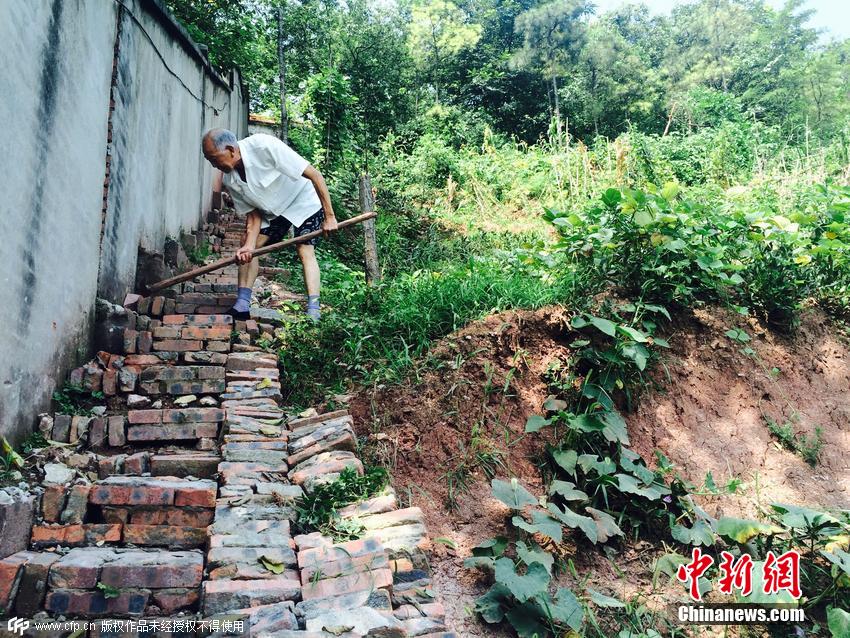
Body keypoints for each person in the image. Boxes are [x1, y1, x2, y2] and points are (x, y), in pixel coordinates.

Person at [201, 128, 338, 321]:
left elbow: (315, 175)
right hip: (272, 211)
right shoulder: (231, 180)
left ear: (231, 150)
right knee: (249, 246)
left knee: (304, 248)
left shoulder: (264, 146)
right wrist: (249, 246)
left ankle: (314, 310)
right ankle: (242, 304)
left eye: (215, 159)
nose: (214, 165)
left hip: (302, 200)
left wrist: (330, 216)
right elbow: (254, 215)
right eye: (210, 161)